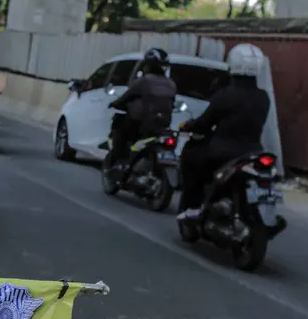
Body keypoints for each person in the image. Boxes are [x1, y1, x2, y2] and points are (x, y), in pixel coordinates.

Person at [176, 43, 272, 221]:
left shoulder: (226, 95)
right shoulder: (263, 97)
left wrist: (189, 126)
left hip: (222, 151)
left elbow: (205, 122)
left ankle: (193, 205)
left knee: (190, 157)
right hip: (253, 152)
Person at [105, 48, 176, 177]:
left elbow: (126, 96)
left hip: (144, 124)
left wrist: (115, 104)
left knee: (120, 128)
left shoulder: (144, 81)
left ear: (148, 65)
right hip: (163, 124)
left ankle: (122, 160)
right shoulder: (171, 84)